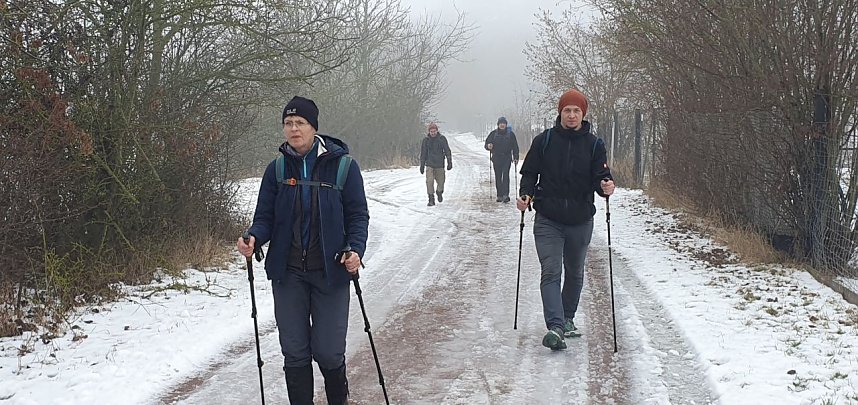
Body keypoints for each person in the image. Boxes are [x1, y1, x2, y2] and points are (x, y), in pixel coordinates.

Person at [236, 96, 369, 404]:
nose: (293, 129)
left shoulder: (344, 167)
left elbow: (358, 216)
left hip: (331, 272)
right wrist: (253, 237)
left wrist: (355, 249)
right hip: (289, 274)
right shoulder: (277, 170)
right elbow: (265, 217)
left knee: (329, 351)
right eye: (288, 123)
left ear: (314, 127)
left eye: (300, 123)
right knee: (294, 352)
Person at [516, 88, 615, 351]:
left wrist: (606, 185)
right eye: (567, 110)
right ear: (560, 113)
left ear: (583, 114)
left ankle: (567, 318)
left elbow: (601, 177)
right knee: (551, 270)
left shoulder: (594, 144)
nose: (571, 115)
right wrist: (525, 195)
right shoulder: (544, 141)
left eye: (576, 111)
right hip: (548, 218)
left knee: (575, 271)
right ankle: (556, 327)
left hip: (580, 219)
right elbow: (530, 174)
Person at [485, 117, 520, 202]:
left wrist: (516, 157)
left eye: (504, 123)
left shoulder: (511, 134)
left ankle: (505, 195)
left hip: (507, 158)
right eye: (500, 123)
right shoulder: (493, 134)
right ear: (498, 124)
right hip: (496, 158)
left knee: (505, 176)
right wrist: (488, 146)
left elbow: (515, 147)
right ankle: (499, 195)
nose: (502, 125)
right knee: (498, 176)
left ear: (506, 124)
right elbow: (486, 144)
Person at [419, 122, 452, 206]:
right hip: (429, 164)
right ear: (429, 132)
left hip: (439, 164)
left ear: (437, 131)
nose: (433, 133)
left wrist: (449, 162)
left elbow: (447, 150)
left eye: (434, 131)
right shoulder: (426, 140)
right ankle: (431, 199)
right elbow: (423, 153)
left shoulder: (442, 139)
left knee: (441, 182)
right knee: (429, 181)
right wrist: (422, 165)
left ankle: (439, 192)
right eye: (431, 131)